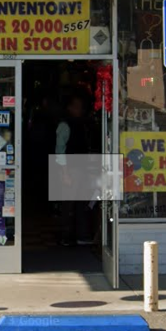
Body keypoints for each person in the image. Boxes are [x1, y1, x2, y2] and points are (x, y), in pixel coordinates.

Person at [54, 94, 96, 246]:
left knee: (81, 203)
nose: (80, 110)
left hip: (81, 168)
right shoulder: (65, 125)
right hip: (70, 169)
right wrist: (64, 173)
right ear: (70, 108)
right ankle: (65, 236)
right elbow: (60, 151)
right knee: (68, 204)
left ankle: (81, 235)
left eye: (81, 107)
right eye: (77, 107)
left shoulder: (81, 124)